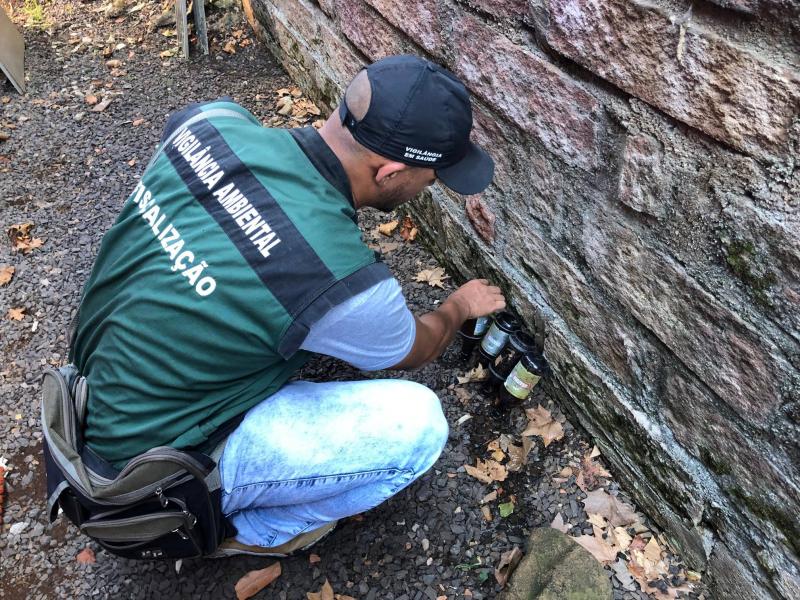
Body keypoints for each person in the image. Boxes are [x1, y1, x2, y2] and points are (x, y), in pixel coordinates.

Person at [69, 54, 505, 557]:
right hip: (139, 484)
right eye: (433, 177)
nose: (431, 188)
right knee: (419, 424)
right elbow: (415, 345)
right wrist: (458, 305)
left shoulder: (209, 122)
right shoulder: (343, 281)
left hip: (88, 391)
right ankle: (247, 532)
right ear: (391, 171)